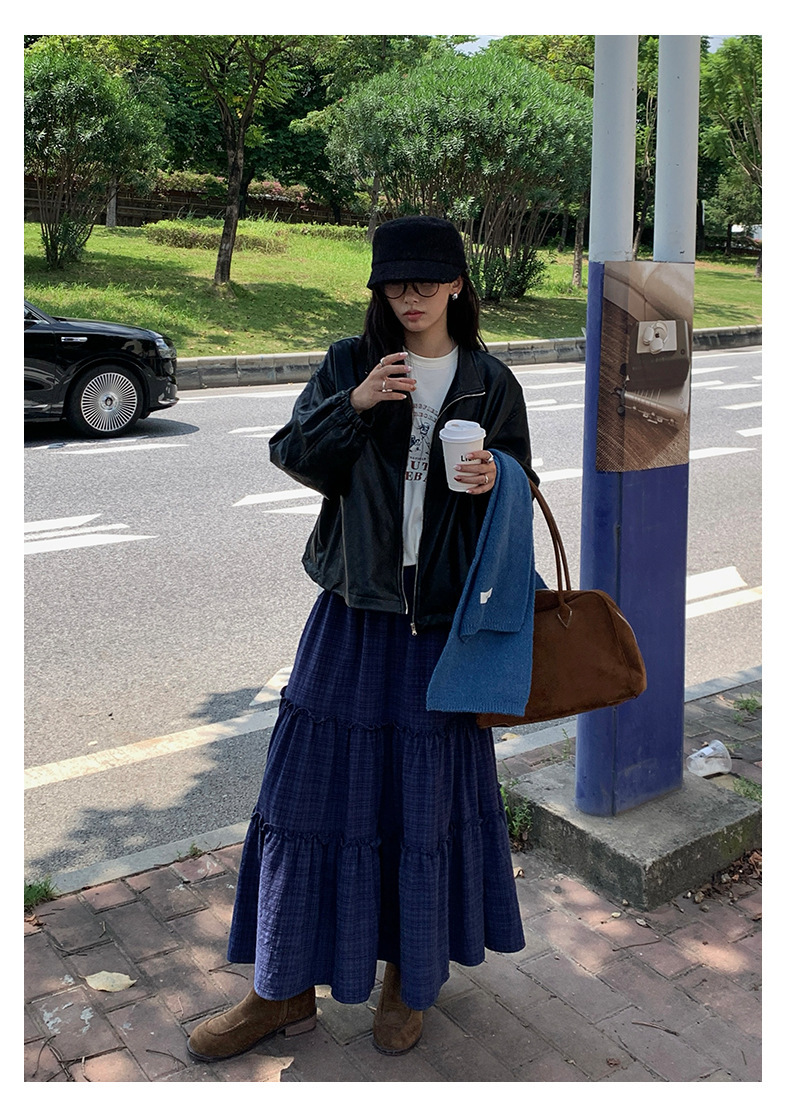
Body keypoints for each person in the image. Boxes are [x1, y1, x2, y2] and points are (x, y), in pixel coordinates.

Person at [186, 215, 539, 1063]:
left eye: (427, 281)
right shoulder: (353, 363)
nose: (410, 297)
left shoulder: (491, 382)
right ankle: (279, 990)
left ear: (458, 285)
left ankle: (407, 981)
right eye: (394, 282)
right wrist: (354, 406)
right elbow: (293, 454)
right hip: (351, 613)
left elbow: (521, 487)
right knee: (302, 801)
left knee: (422, 810)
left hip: (440, 629)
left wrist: (496, 477)